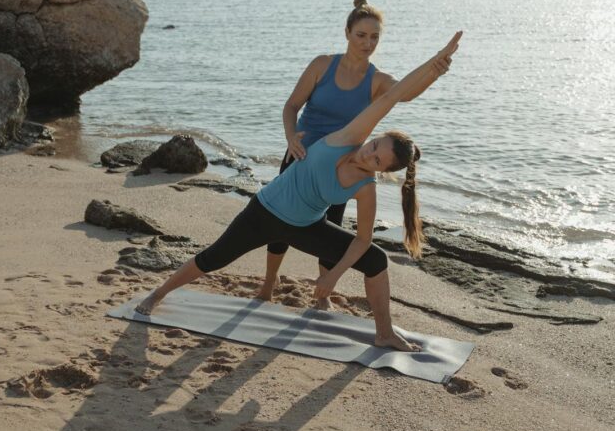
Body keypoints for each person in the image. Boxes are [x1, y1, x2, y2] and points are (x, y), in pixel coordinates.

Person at [134, 32, 462, 352]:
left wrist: (333, 276)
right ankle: (158, 294)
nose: (368, 155)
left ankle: (384, 333)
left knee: (375, 259)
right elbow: (392, 97)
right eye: (374, 145)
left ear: (383, 171)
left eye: (377, 160)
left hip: (305, 226)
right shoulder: (348, 138)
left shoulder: (366, 188)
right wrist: (435, 63)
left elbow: (362, 241)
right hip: (264, 212)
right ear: (373, 137)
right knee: (215, 257)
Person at [258, 0, 446, 302]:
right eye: (361, 35)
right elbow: (292, 106)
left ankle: (322, 295)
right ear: (347, 33)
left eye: (374, 37)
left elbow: (406, 94)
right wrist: (291, 137)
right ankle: (267, 285)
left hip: (344, 168)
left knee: (330, 230)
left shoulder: (377, 80)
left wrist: (433, 73)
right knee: (279, 225)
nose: (367, 43)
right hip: (301, 156)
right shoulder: (322, 65)